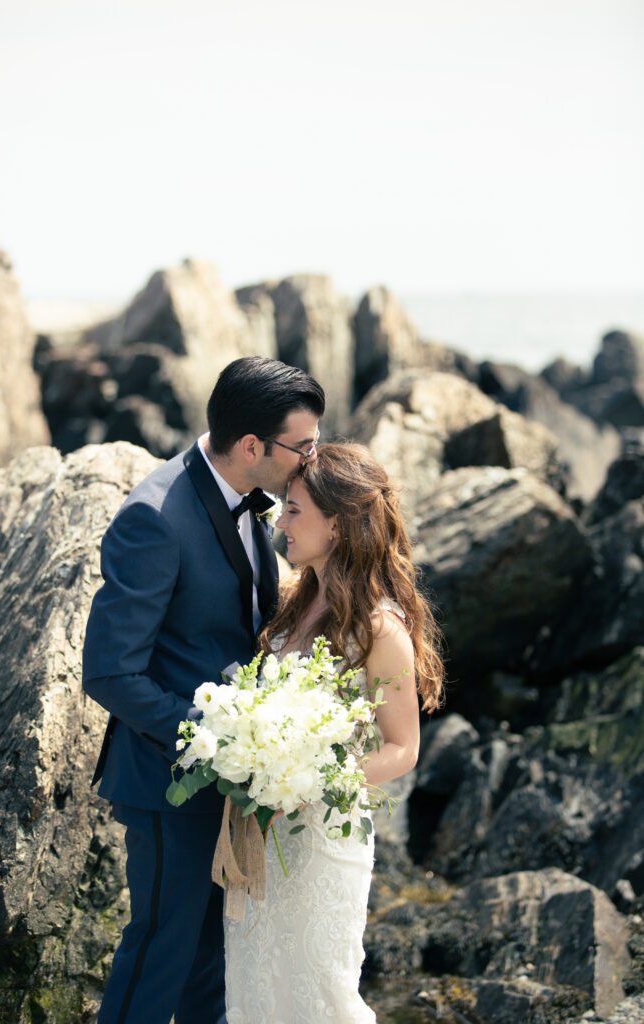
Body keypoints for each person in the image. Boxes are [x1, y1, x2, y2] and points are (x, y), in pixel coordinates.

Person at [82, 355, 325, 1024]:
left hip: (233, 781)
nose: (311, 459)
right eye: (302, 446)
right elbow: (109, 670)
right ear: (252, 446)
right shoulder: (154, 517)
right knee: (160, 953)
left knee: (213, 964)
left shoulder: (254, 505)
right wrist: (215, 740)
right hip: (166, 780)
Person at [224, 442, 444, 1024]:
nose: (280, 521)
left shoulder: (380, 627)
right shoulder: (292, 603)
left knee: (322, 998)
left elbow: (403, 748)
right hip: (260, 836)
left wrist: (317, 777)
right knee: (254, 991)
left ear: (339, 525)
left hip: (325, 840)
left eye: (294, 510)